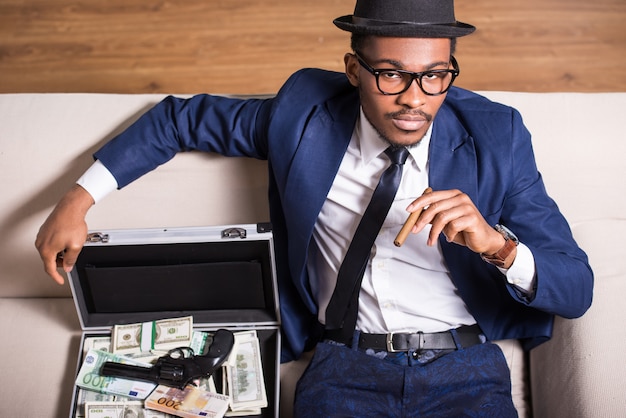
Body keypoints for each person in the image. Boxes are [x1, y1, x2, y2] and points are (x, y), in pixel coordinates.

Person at [36, 0, 593, 416]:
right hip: (344, 367)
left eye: (434, 76)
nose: (414, 98)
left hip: (464, 368)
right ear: (354, 71)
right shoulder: (302, 118)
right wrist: (77, 199)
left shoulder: (498, 135)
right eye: (391, 73)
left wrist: (499, 247)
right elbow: (180, 118)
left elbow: (576, 287)